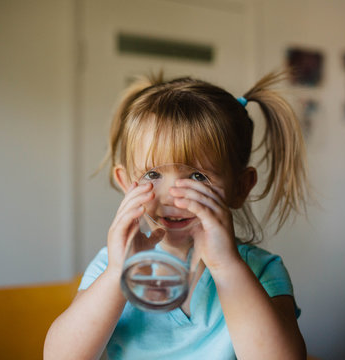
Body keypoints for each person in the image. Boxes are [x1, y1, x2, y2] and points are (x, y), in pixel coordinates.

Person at [44, 71, 309, 359]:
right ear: (126, 183)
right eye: (153, 174)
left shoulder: (261, 271)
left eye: (197, 176)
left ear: (240, 187)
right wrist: (117, 274)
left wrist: (226, 267)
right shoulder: (111, 264)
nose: (171, 194)